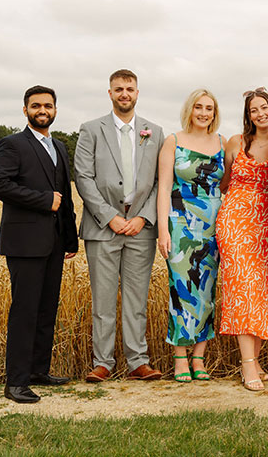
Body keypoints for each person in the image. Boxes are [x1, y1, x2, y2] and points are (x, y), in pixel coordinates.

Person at [0, 85, 78, 404]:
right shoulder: (12, 144)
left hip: (54, 243)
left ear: (55, 109)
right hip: (24, 243)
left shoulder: (60, 147)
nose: (43, 110)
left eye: (48, 105)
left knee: (46, 308)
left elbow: (63, 195)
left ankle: (39, 371)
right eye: (36, 105)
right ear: (25, 110)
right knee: (25, 310)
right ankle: (16, 383)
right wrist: (43, 200)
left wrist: (70, 238)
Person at [75, 69, 165, 383]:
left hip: (141, 228)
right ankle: (102, 363)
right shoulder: (90, 130)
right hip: (102, 227)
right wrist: (108, 216)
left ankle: (138, 362)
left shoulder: (155, 132)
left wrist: (143, 217)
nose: (124, 94)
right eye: (118, 89)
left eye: (129, 88)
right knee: (102, 299)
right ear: (110, 93)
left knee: (136, 298)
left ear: (137, 93)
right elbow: (83, 178)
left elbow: (160, 182)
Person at [157, 89, 224, 382]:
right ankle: (180, 358)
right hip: (180, 224)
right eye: (199, 107)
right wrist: (163, 230)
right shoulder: (173, 141)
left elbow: (227, 187)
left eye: (209, 108)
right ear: (190, 109)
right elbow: (163, 188)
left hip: (213, 227)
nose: (204, 113)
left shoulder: (222, 143)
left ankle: (199, 358)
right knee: (181, 291)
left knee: (207, 294)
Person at [216, 87, 268, 392]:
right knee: (242, 288)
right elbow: (224, 182)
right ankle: (247, 366)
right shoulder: (235, 142)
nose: (260, 113)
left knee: (261, 291)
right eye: (254, 110)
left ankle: (254, 360)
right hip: (235, 221)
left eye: (264, 107)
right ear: (248, 115)